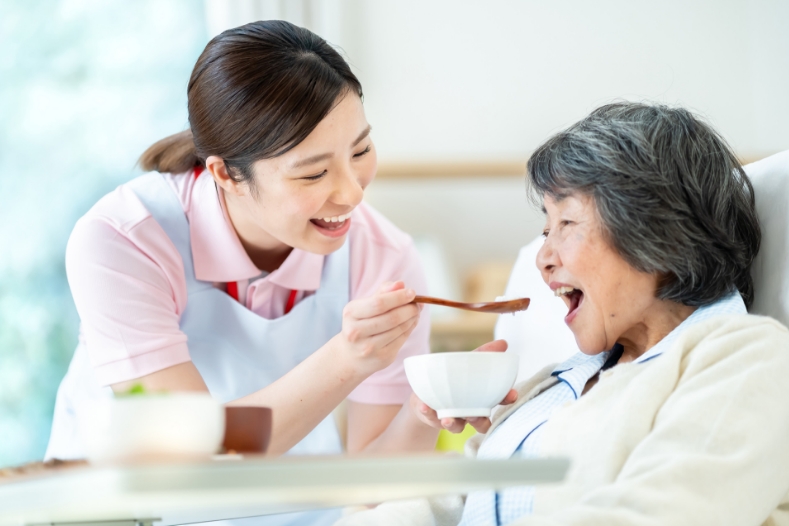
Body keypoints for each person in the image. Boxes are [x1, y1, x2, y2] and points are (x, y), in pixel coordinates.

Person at [46, 20, 440, 525]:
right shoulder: (123, 240)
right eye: (314, 172)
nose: (353, 194)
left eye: (360, 151)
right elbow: (189, 455)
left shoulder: (383, 256)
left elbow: (373, 489)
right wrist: (348, 358)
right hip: (117, 510)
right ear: (225, 174)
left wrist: (426, 408)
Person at [338, 103, 789, 525]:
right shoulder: (558, 380)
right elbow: (458, 498)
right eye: (543, 230)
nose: (543, 258)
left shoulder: (749, 359)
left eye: (567, 224)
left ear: (660, 234)